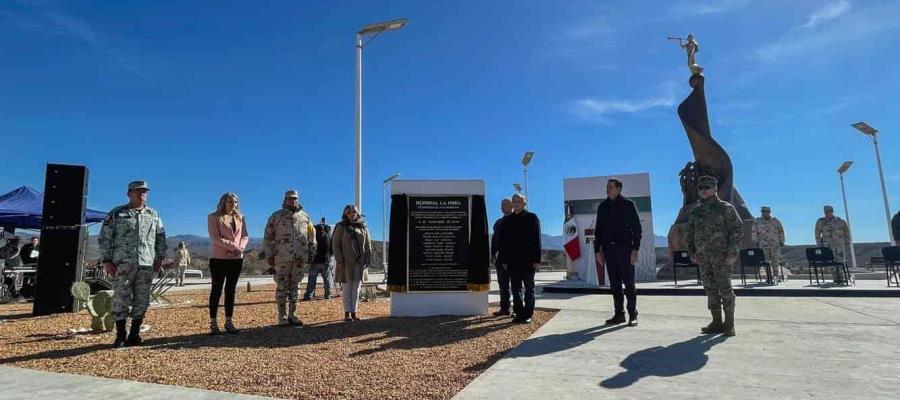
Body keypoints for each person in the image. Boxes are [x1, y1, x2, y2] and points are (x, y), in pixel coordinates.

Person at [99, 181, 167, 348]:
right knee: (121, 299)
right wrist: (107, 260)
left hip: (146, 263)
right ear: (129, 193)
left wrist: (159, 258)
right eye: (138, 191)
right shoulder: (117, 213)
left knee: (142, 299)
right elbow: (105, 237)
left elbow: (160, 237)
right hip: (123, 263)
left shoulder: (153, 214)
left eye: (144, 191)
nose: (141, 194)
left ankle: (134, 334)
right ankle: (120, 335)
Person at [685, 176, 742, 337]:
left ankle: (729, 324)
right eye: (701, 187)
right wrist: (692, 252)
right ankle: (716, 322)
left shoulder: (725, 208)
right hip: (703, 258)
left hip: (722, 257)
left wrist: (732, 252)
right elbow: (690, 234)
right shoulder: (696, 211)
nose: (703, 190)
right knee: (710, 290)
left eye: (707, 187)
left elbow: (737, 231)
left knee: (725, 290)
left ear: (715, 189)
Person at [594, 178, 642, 326]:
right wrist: (598, 251)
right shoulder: (602, 206)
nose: (607, 189)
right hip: (609, 250)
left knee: (629, 284)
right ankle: (619, 314)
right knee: (614, 284)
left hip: (625, 249)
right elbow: (598, 231)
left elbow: (637, 229)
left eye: (610, 187)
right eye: (607, 187)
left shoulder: (628, 205)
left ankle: (632, 314)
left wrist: (635, 249)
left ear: (619, 188)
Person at [264, 190, 316, 326]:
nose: (293, 201)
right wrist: (269, 255)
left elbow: (312, 236)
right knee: (281, 285)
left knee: (295, 286)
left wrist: (311, 253)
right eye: (290, 199)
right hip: (282, 257)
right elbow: (268, 237)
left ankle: (293, 314)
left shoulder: (305, 217)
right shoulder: (276, 216)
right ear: (285, 200)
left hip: (300, 257)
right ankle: (282, 316)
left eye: (295, 199)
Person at [207, 192, 249, 335]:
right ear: (223, 202)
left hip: (236, 259)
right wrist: (234, 247)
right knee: (217, 290)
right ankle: (213, 323)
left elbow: (244, 236)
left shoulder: (240, 218)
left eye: (235, 202)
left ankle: (229, 321)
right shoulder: (214, 217)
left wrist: (240, 249)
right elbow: (215, 238)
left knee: (230, 290)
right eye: (230, 201)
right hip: (218, 259)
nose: (233, 204)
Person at [496, 193, 542, 324]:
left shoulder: (532, 218)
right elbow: (504, 243)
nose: (516, 203)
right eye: (514, 201)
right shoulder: (508, 220)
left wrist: (537, 260)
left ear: (524, 203)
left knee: (529, 289)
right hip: (512, 261)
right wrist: (504, 260)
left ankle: (528, 314)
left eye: (519, 201)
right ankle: (519, 313)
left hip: (528, 261)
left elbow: (537, 239)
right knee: (516, 290)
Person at [332, 205, 374, 321]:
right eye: (349, 212)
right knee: (346, 288)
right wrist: (339, 260)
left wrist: (368, 258)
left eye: (354, 212)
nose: (352, 214)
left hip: (360, 262)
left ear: (357, 213)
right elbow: (336, 244)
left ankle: (354, 312)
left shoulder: (363, 227)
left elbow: (368, 245)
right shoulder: (341, 226)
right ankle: (347, 312)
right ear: (345, 214)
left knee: (356, 288)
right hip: (345, 262)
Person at [814, 205, 851, 284]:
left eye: (829, 211)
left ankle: (841, 277)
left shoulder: (840, 221)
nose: (828, 213)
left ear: (832, 211)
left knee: (840, 261)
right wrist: (819, 245)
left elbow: (846, 232)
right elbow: (817, 234)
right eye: (826, 211)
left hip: (839, 245)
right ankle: (835, 278)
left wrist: (847, 242)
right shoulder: (821, 222)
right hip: (828, 245)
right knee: (831, 262)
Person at [751, 206, 785, 283]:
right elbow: (754, 231)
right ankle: (768, 277)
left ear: (769, 212)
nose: (764, 213)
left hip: (774, 244)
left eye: (766, 211)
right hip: (763, 244)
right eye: (763, 211)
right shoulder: (757, 221)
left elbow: (781, 231)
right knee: (765, 261)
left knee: (775, 260)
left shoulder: (775, 221)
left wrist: (781, 240)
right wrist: (755, 240)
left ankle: (776, 276)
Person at [491, 198, 513, 317]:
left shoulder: (517, 221)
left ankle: (518, 310)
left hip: (514, 259)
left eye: (505, 205)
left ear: (511, 206)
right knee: (503, 286)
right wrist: (492, 254)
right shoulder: (498, 223)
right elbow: (495, 240)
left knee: (516, 286)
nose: (502, 207)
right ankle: (504, 308)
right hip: (500, 259)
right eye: (501, 205)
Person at [304, 217, 333, 301]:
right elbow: (332, 249)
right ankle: (328, 295)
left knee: (312, 279)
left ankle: (309, 295)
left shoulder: (314, 236)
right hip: (326, 261)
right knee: (327, 280)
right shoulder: (328, 236)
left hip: (315, 261)